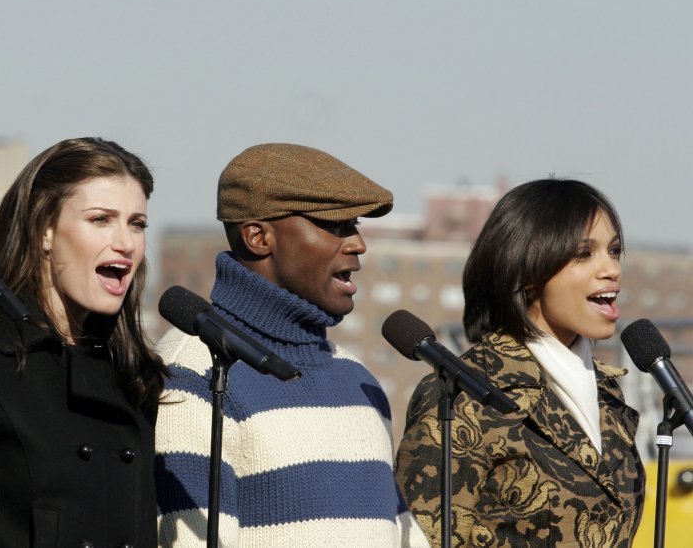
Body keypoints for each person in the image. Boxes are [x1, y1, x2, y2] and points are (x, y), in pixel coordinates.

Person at [154, 143, 430, 547]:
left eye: (354, 225)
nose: (357, 244)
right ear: (258, 237)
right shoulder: (192, 372)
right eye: (335, 226)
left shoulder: (359, 381)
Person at [395, 178, 645, 548]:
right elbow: (422, 535)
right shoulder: (461, 392)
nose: (611, 269)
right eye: (583, 253)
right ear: (528, 272)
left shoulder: (607, 391)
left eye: (613, 250)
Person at [0, 137, 169, 547]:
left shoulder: (133, 373)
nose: (126, 243)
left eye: (137, 223)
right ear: (44, 231)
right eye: (100, 219)